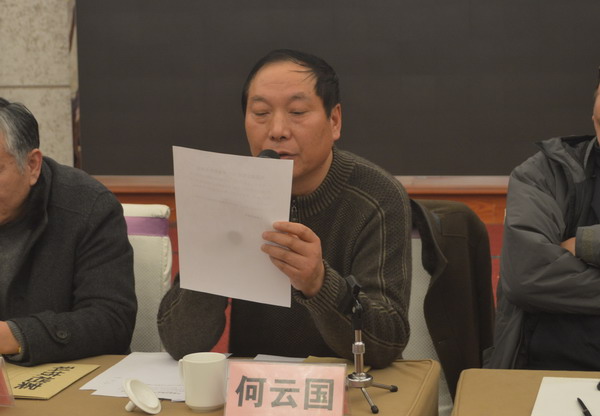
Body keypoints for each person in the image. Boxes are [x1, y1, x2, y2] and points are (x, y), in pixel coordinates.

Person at [158, 49, 412, 368]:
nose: (277, 130)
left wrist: (319, 282)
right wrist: (213, 255)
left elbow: (386, 343)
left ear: (334, 121)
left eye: (297, 112)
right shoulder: (228, 194)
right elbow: (179, 343)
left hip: (346, 386)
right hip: (253, 388)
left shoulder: (376, 197)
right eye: (261, 113)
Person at [0, 98, 137, 366]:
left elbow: (111, 321)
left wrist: (14, 336)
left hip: (65, 375)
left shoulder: (89, 207)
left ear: (32, 165)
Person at [486, 78, 600, 370]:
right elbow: (528, 276)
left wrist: (584, 244)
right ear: (593, 116)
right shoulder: (544, 173)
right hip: (548, 367)